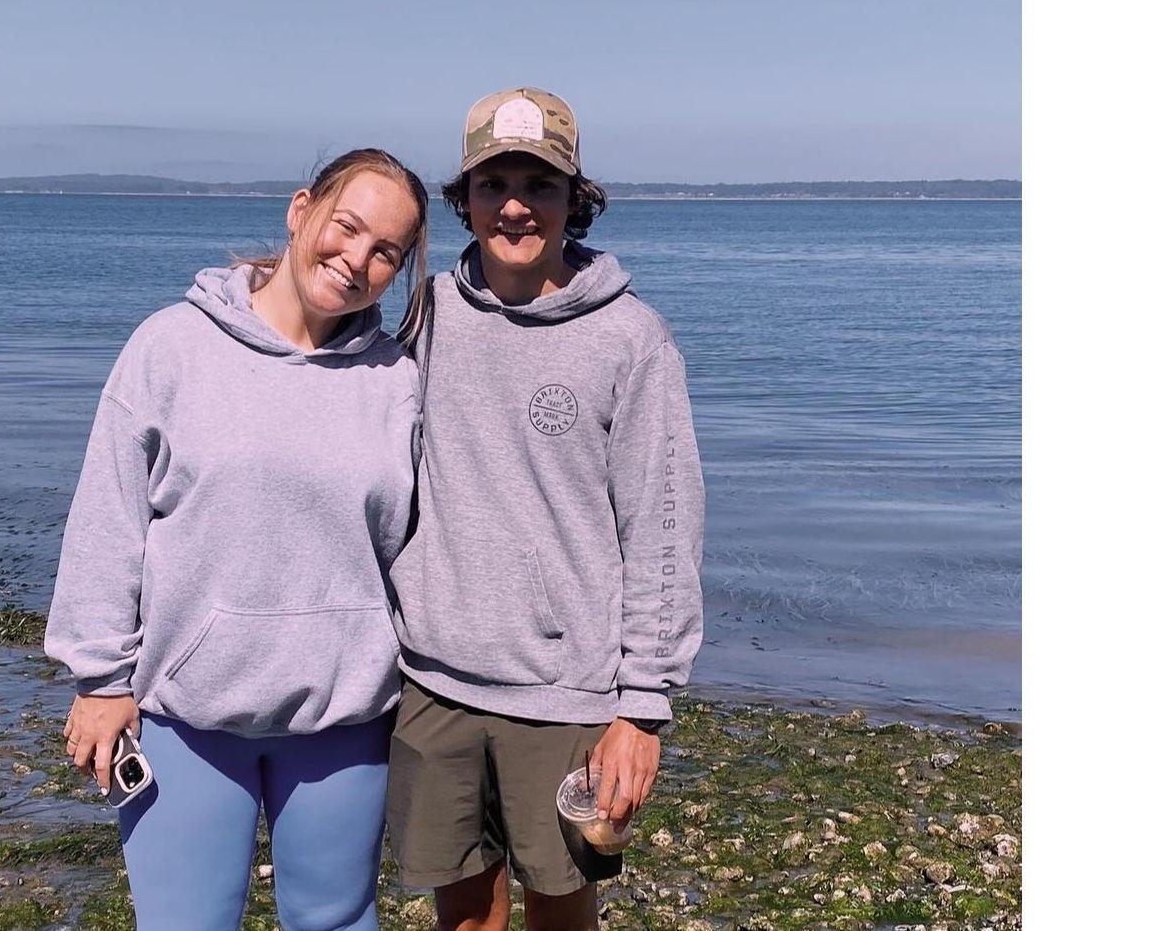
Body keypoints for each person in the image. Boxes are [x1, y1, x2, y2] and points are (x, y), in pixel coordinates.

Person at [44, 149, 429, 931]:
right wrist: (99, 679)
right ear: (300, 210)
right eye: (346, 226)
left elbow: (413, 552)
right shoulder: (171, 347)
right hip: (187, 716)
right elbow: (107, 519)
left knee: (337, 919)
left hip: (344, 717)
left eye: (385, 250)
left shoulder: (396, 380)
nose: (356, 258)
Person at [387, 88, 705, 931]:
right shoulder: (424, 313)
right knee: (463, 913)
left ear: (575, 198)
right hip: (431, 680)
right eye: (492, 184)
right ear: (464, 199)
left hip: (567, 694)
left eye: (540, 184)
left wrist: (641, 708)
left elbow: (663, 528)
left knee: (563, 911)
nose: (515, 206)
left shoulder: (631, 338)